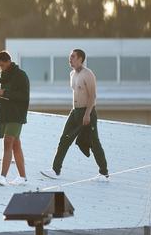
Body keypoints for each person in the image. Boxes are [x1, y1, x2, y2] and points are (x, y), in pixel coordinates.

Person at [41, 49, 109, 181]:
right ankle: (55, 170)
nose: (70, 59)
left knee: (94, 143)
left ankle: (104, 173)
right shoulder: (72, 74)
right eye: (69, 57)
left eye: (73, 57)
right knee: (64, 139)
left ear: (80, 59)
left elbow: (92, 96)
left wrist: (87, 114)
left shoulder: (88, 74)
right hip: (75, 112)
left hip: (87, 112)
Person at [0, 51, 29, 186]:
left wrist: (5, 93)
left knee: (8, 142)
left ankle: (2, 176)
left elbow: (24, 96)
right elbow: (1, 93)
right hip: (5, 114)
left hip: (17, 114)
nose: (1, 68)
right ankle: (22, 177)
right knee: (15, 145)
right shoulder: (1, 76)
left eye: (2, 65)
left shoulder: (21, 75)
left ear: (8, 61)